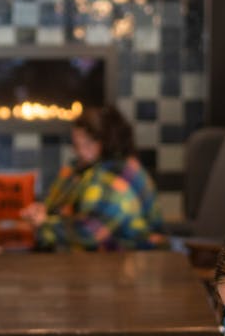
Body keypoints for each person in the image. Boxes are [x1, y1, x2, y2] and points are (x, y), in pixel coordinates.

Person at [19, 105, 166, 251]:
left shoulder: (116, 176)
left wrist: (44, 224)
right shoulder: (81, 170)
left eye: (84, 144)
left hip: (135, 260)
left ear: (101, 143)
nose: (77, 151)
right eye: (75, 144)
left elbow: (91, 231)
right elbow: (56, 208)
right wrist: (40, 211)